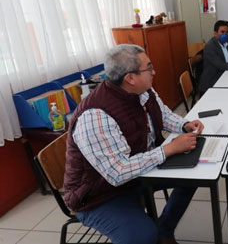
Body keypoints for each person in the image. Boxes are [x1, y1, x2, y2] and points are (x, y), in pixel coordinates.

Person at [63, 44, 205, 244]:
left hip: (138, 173)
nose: (154, 72)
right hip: (99, 194)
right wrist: (168, 150)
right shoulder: (95, 115)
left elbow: (162, 114)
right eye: (149, 68)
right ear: (130, 78)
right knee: (142, 236)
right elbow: (117, 173)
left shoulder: (142, 90)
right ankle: (155, 233)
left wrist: (185, 125)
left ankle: (164, 230)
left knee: (193, 176)